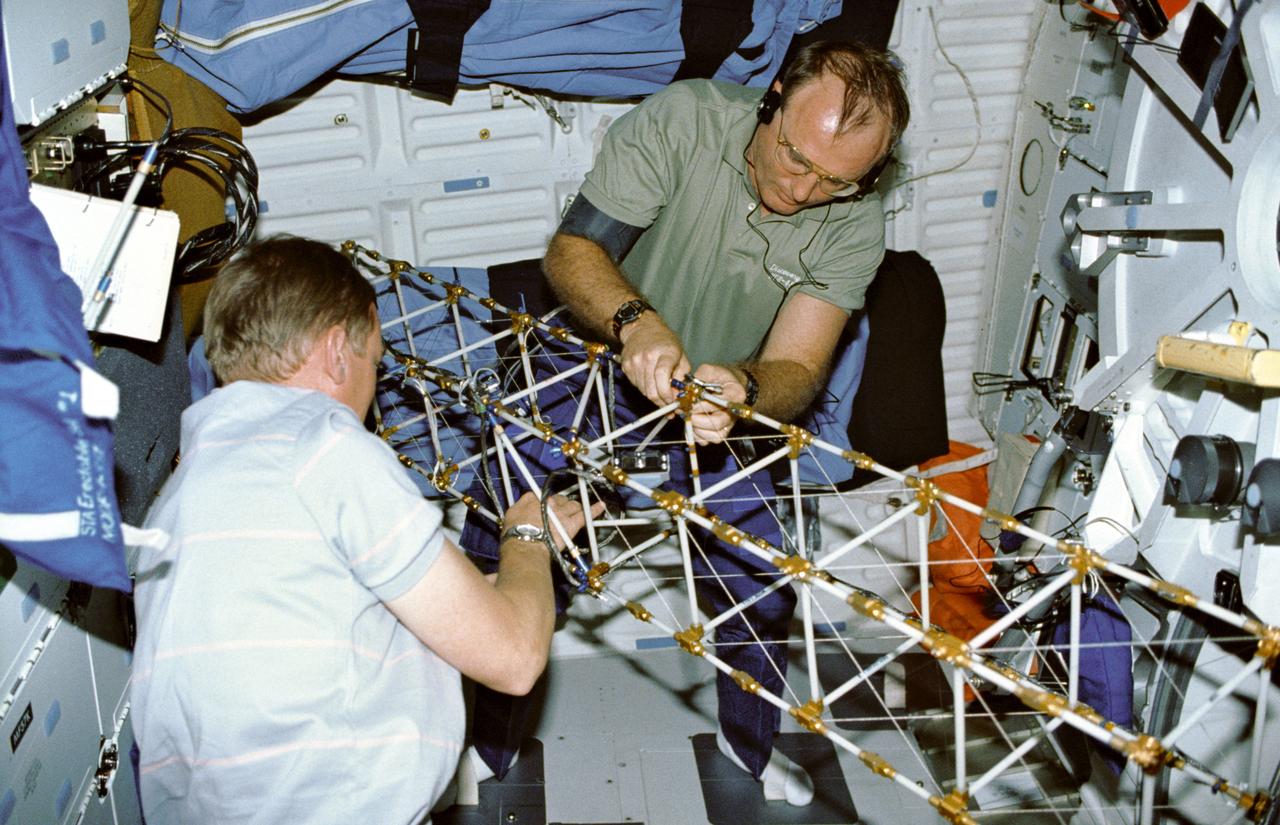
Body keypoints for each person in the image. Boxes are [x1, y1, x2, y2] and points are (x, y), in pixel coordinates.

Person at [460, 40, 910, 806]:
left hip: (720, 402)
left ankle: (748, 747)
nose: (803, 191)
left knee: (762, 581)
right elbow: (572, 252)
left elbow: (799, 366)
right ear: (772, 99)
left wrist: (745, 388)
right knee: (501, 532)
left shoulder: (855, 222)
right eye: (795, 158)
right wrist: (635, 325)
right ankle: (484, 745)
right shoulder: (683, 122)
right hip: (593, 360)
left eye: (836, 181)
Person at [129, 236, 593, 824]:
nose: (374, 394)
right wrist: (528, 539)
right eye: (374, 361)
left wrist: (507, 579)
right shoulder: (324, 447)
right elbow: (515, 659)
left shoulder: (186, 490)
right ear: (335, 353)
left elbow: (359, 615)